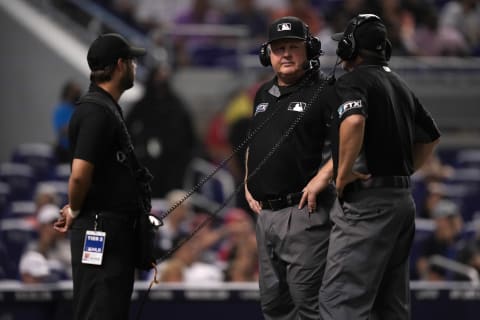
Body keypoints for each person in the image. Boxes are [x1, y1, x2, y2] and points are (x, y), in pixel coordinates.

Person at [318, 14, 441, 320]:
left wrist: (343, 172)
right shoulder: (398, 83)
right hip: (401, 201)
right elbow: (430, 136)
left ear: (349, 48)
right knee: (390, 307)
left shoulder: (354, 81)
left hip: (367, 203)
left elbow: (355, 120)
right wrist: (405, 170)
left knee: (341, 304)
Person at [244, 16, 337, 319]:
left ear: (309, 50)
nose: (285, 54)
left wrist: (322, 178)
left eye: (293, 47)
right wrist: (248, 181)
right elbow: (253, 142)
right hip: (265, 216)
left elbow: (352, 143)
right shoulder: (261, 94)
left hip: (304, 213)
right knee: (274, 306)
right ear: (266, 55)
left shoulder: (325, 91)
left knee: (309, 304)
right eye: (278, 48)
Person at [53, 33, 148, 320]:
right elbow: (80, 176)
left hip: (112, 230)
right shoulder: (95, 110)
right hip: (100, 231)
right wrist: (77, 208)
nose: (135, 67)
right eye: (132, 61)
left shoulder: (105, 107)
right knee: (99, 312)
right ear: (120, 65)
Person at [125, 64, 197, 198]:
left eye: (164, 77)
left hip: (173, 162)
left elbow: (189, 134)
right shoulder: (142, 105)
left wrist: (187, 154)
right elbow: (126, 128)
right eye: (158, 77)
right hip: (148, 160)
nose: (161, 81)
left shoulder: (177, 104)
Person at [52, 80, 82, 163]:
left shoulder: (80, 108)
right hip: (65, 151)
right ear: (68, 93)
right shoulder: (61, 109)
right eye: (75, 92)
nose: (78, 94)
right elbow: (62, 129)